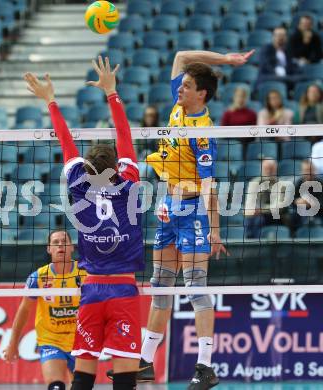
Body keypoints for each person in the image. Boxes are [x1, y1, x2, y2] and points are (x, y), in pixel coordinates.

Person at [24, 56, 145, 390]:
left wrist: (50, 100)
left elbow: (66, 144)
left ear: (88, 167)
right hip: (123, 288)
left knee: (83, 376)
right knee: (124, 378)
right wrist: (112, 93)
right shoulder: (130, 184)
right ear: (117, 168)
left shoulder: (78, 185)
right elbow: (124, 135)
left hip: (90, 289)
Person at [137, 49, 254, 390]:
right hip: (168, 207)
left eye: (187, 86)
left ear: (201, 93)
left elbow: (208, 186)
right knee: (161, 285)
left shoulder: (203, 132)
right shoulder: (177, 107)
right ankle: (145, 361)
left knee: (195, 288)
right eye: (182, 84)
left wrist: (215, 230)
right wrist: (227, 60)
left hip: (193, 211)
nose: (179, 89)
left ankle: (205, 366)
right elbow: (180, 54)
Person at [4, 230, 86, 390]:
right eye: (56, 242)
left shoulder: (85, 273)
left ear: (72, 247)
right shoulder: (38, 277)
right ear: (49, 249)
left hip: (80, 341)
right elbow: (24, 310)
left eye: (64, 241)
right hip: (51, 340)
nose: (60, 245)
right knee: (56, 386)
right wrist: (13, 343)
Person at [244, 159, 282, 238]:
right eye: (266, 169)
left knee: (258, 220)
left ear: (275, 170)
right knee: (250, 219)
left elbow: (280, 207)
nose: (268, 171)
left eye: (271, 169)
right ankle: (250, 243)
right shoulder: (254, 183)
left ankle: (256, 244)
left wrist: (262, 210)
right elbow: (250, 203)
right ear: (261, 169)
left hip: (276, 216)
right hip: (257, 215)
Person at [286, 160, 323, 233]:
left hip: (318, 213)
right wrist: (296, 201)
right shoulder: (297, 184)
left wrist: (312, 203)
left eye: (311, 170)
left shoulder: (321, 184)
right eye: (306, 170)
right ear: (302, 172)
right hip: (300, 213)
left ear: (314, 171)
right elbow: (291, 202)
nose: (309, 173)